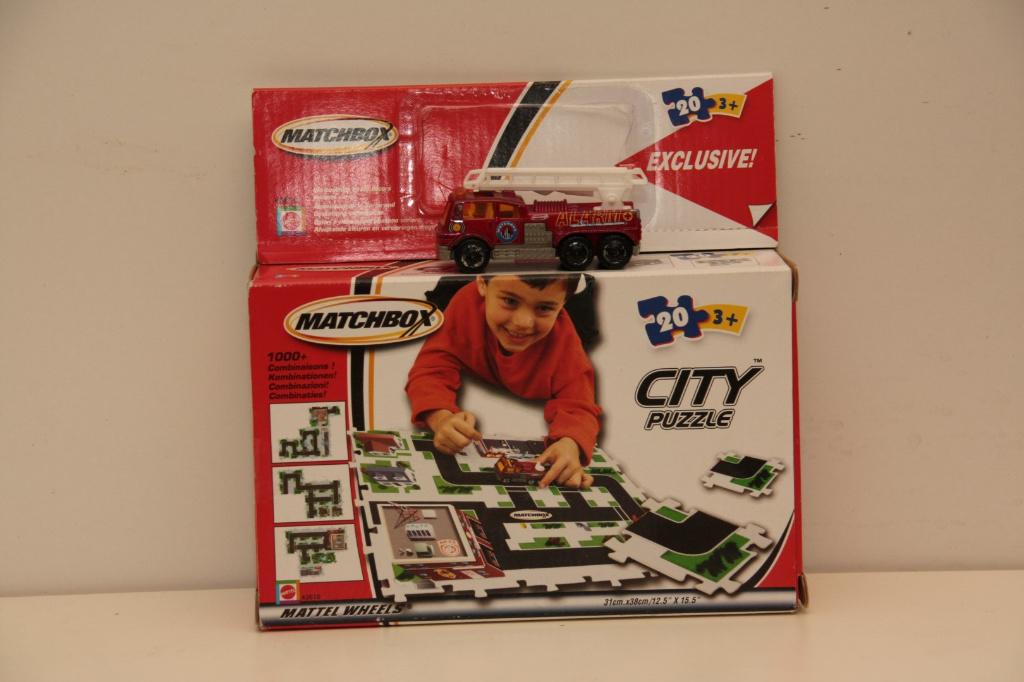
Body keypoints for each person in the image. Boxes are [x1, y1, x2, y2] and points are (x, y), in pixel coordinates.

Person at [406, 274, 601, 489]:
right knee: (441, 296)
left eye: (544, 308)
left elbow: (580, 404)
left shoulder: (565, 341)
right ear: (481, 284)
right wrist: (440, 417)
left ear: (563, 304)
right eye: (510, 301)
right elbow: (431, 368)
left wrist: (570, 443)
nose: (522, 323)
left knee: (587, 330)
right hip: (465, 298)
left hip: (574, 324)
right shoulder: (464, 303)